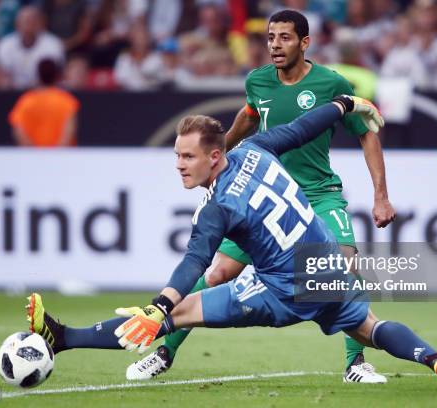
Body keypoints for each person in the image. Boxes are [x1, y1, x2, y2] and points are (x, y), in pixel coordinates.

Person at [26, 96, 437, 392]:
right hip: (324, 268)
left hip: (283, 289)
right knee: (370, 329)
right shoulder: (254, 149)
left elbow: (196, 259)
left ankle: (63, 338)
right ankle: (436, 359)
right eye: (176, 155)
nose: (178, 165)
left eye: (188, 157)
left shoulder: (218, 208)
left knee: (179, 311)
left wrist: (158, 305)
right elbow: (304, 128)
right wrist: (346, 105)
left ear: (216, 156)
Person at [140, 9, 395, 384]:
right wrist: (217, 160)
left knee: (344, 265)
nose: (275, 44)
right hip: (263, 198)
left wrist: (381, 196)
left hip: (316, 194)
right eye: (271, 37)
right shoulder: (258, 81)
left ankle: (355, 363)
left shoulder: (330, 83)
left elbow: (366, 131)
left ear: (305, 43)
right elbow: (247, 117)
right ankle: (165, 350)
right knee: (217, 274)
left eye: (285, 37)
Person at [8, 58, 80, 147]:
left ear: (38, 75)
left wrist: (36, 154)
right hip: (60, 158)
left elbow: (19, 131)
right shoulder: (66, 101)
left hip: (34, 158)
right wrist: (56, 155)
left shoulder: (26, 101)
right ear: (56, 76)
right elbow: (69, 132)